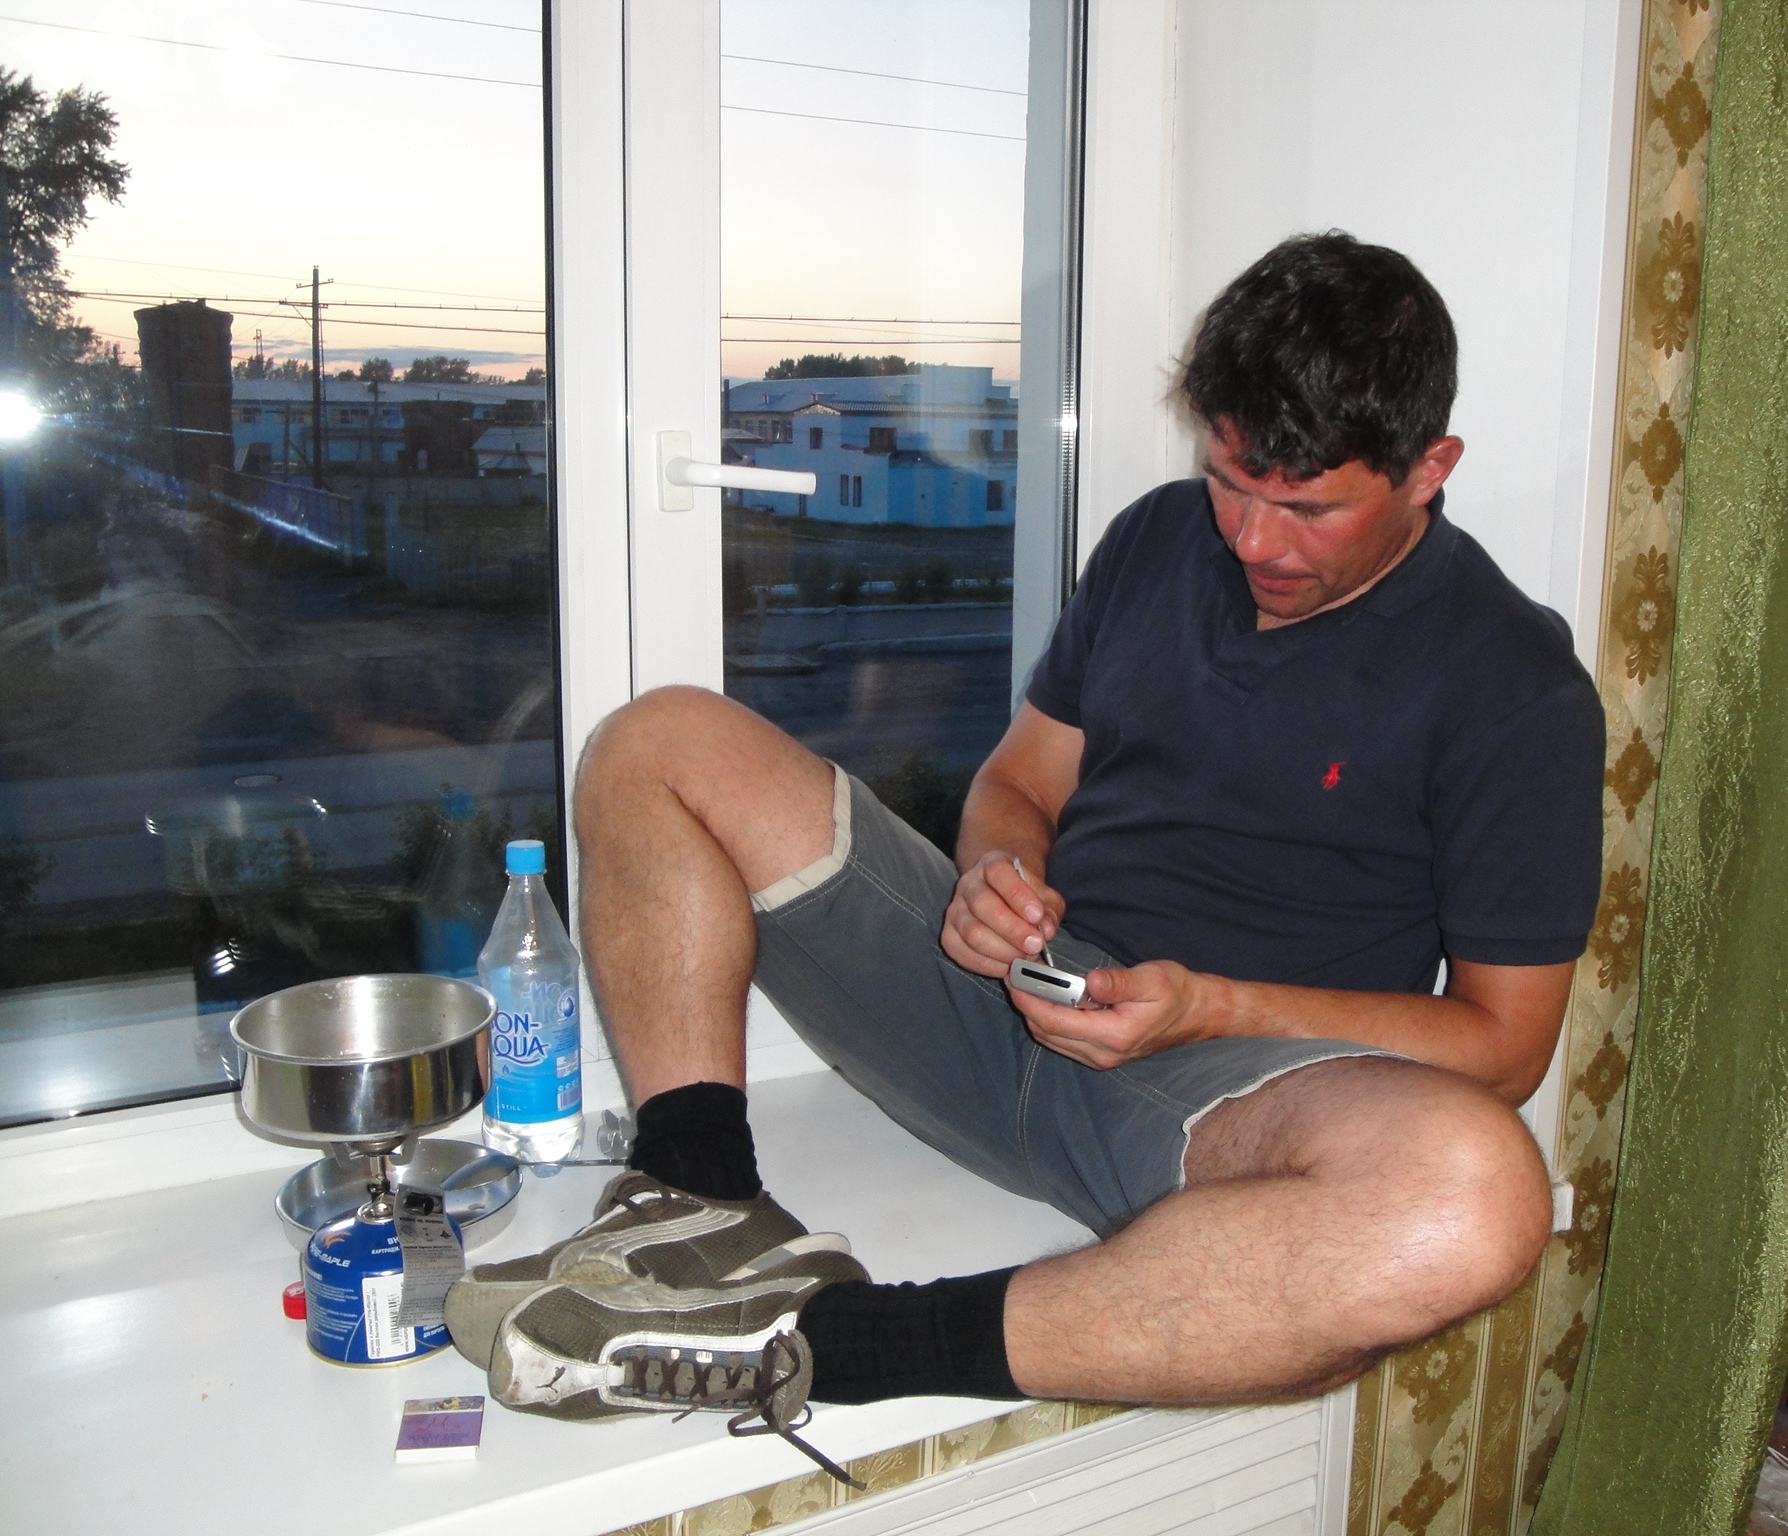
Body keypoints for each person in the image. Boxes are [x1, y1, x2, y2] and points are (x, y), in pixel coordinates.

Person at [444, 232, 1605, 1481]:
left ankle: (819, 1342)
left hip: (1216, 1105)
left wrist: (1209, 1008)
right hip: (998, 997)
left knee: (1473, 1200)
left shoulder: (1512, 686)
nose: (1254, 541)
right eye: (1230, 481)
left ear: (1429, 470)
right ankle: (696, 1198)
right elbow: (1018, 783)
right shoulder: (1157, 539)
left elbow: (1502, 1046)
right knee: (654, 740)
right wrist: (994, 877)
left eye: (1309, 508)